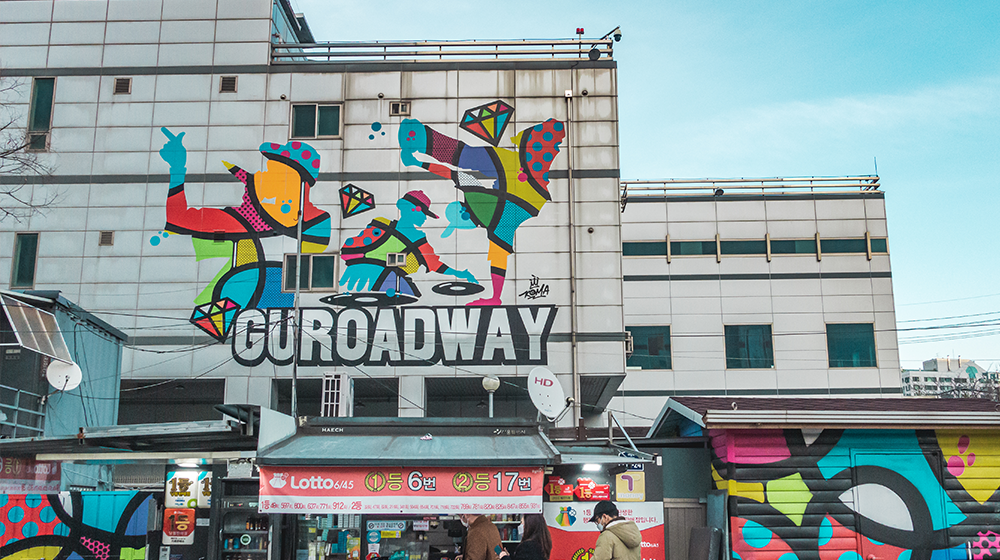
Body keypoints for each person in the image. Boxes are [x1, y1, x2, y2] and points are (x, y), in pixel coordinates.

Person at [339, 190, 477, 298]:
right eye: (424, 213)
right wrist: (460, 273)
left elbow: (435, 264)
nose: (424, 218)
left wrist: (459, 273)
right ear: (414, 209)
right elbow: (435, 265)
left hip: (374, 281)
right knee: (411, 297)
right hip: (385, 280)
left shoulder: (383, 224)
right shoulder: (412, 237)